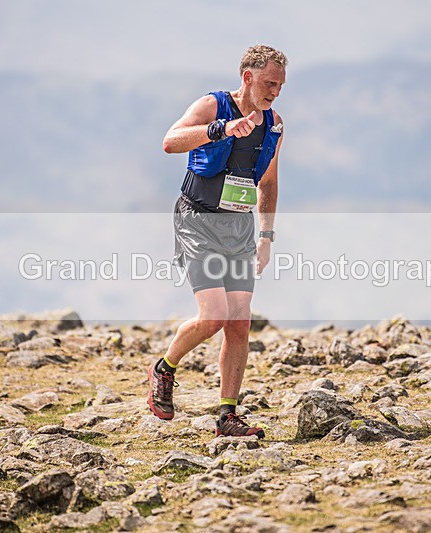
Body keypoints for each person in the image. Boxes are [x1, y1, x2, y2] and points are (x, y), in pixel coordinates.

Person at [147, 45, 287, 438]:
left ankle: (227, 415)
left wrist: (266, 236)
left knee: (239, 322)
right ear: (248, 77)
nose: (275, 91)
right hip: (198, 221)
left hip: (239, 228)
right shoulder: (213, 106)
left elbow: (268, 183)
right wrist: (219, 130)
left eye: (280, 85)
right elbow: (170, 142)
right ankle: (164, 368)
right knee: (213, 316)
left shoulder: (274, 124)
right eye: (269, 83)